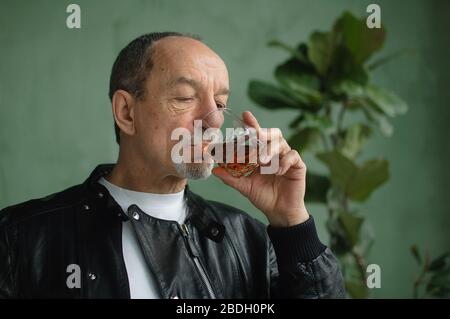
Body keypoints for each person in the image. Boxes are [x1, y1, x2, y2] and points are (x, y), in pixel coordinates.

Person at [0, 32, 345, 299]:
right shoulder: (19, 236)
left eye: (221, 103)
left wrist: (291, 223)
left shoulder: (250, 239)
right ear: (126, 112)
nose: (213, 122)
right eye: (185, 98)